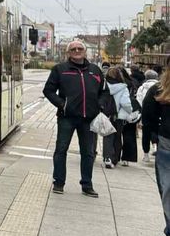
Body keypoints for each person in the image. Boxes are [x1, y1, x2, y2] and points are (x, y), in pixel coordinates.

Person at [43, 39, 105, 196]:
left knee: (88, 153)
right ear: (68, 52)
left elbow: (104, 92)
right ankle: (58, 182)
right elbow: (48, 90)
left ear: (85, 52)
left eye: (79, 49)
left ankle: (87, 185)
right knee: (61, 150)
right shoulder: (60, 69)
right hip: (67, 117)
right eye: (73, 49)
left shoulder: (95, 70)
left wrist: (100, 105)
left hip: (89, 119)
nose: (77, 51)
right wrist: (62, 104)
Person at [139, 60, 170, 236]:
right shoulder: (159, 88)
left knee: (167, 187)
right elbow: (148, 112)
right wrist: (154, 134)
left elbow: (148, 113)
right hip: (166, 142)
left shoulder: (159, 88)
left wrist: (153, 133)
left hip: (166, 139)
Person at [103, 66, 140, 167]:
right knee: (117, 137)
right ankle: (115, 158)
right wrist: (130, 111)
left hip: (106, 115)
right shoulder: (123, 88)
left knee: (107, 136)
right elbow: (126, 103)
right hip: (118, 116)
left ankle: (107, 157)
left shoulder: (104, 85)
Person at [139, 69, 160, 162]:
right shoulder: (161, 87)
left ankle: (146, 154)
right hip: (159, 113)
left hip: (146, 113)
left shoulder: (142, 87)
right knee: (158, 132)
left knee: (146, 134)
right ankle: (156, 147)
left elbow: (139, 100)